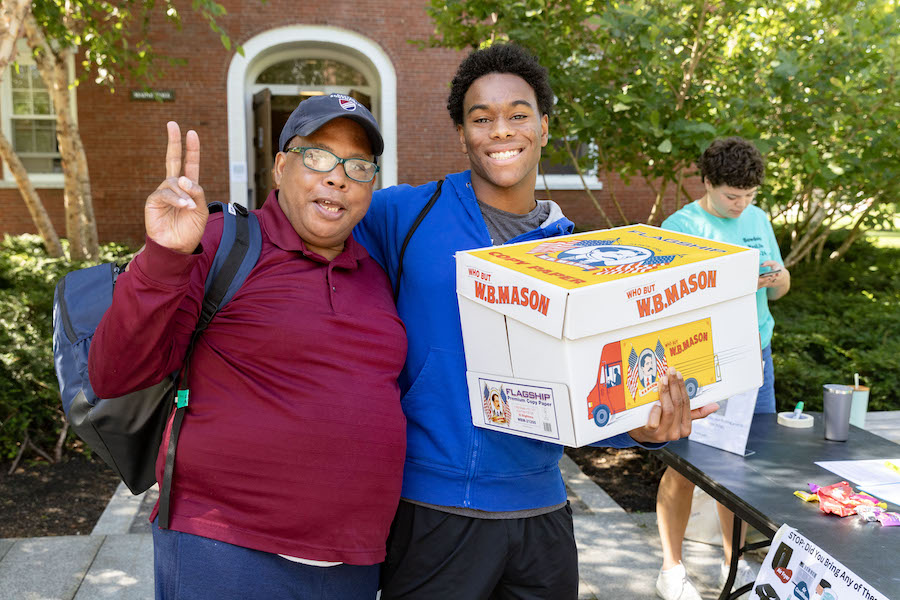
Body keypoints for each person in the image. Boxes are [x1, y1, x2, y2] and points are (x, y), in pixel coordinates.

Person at [354, 43, 718, 600]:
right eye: (482, 118)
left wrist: (643, 430)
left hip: (542, 513)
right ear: (463, 134)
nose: (501, 130)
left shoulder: (579, 253)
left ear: (544, 128)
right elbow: (304, 243)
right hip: (433, 509)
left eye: (518, 115)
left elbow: (595, 387)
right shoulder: (403, 214)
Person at [88, 94, 407, 599]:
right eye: (318, 156)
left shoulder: (376, 272)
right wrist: (165, 256)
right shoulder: (224, 243)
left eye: (359, 166)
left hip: (352, 561)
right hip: (225, 551)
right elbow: (114, 373)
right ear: (281, 167)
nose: (338, 176)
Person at [654, 137, 791, 600]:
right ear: (708, 183)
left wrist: (776, 278)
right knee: (688, 465)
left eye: (750, 196)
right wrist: (733, 283)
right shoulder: (680, 226)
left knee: (742, 467)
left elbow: (780, 290)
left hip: (757, 355)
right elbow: (668, 303)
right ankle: (672, 570)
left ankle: (733, 564)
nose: (742, 205)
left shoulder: (757, 219)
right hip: (703, 361)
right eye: (732, 196)